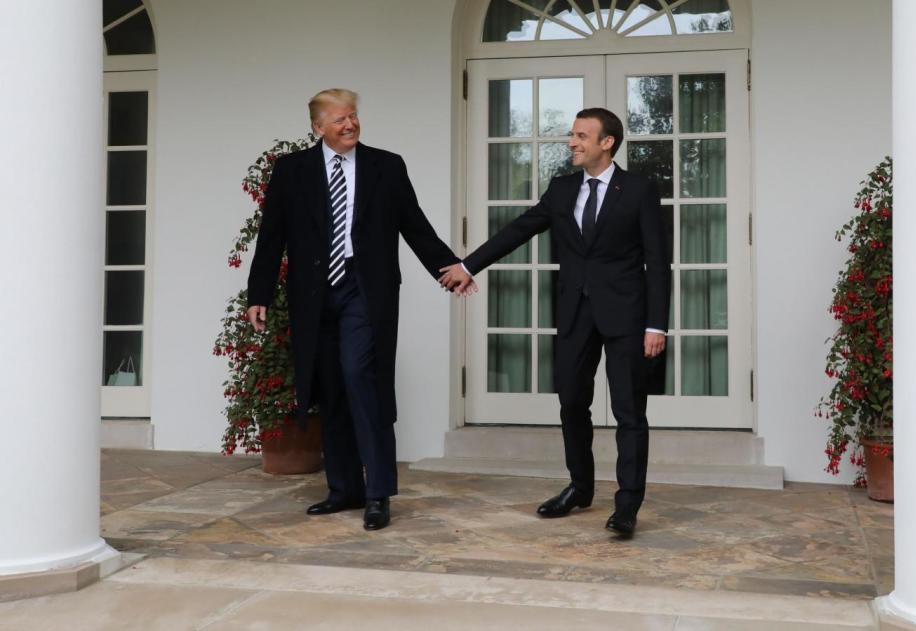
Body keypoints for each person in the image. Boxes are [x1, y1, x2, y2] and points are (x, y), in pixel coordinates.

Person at [440, 108, 670, 536]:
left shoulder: (638, 190)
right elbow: (520, 229)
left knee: (629, 414)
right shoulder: (562, 190)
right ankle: (580, 488)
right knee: (570, 405)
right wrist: (469, 266)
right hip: (574, 316)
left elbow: (657, 261)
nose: (572, 142)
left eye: (582, 136)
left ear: (608, 142)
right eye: (572, 135)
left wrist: (657, 325)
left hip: (626, 317)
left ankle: (626, 507)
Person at [247, 89, 466, 531]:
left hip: (365, 289)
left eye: (354, 117)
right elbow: (272, 236)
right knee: (330, 387)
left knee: (362, 378)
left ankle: (377, 492)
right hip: (314, 294)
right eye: (340, 120)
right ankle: (343, 488)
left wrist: (450, 267)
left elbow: (415, 225)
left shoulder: (386, 166)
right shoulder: (292, 171)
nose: (350, 125)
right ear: (318, 128)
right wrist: (260, 295)